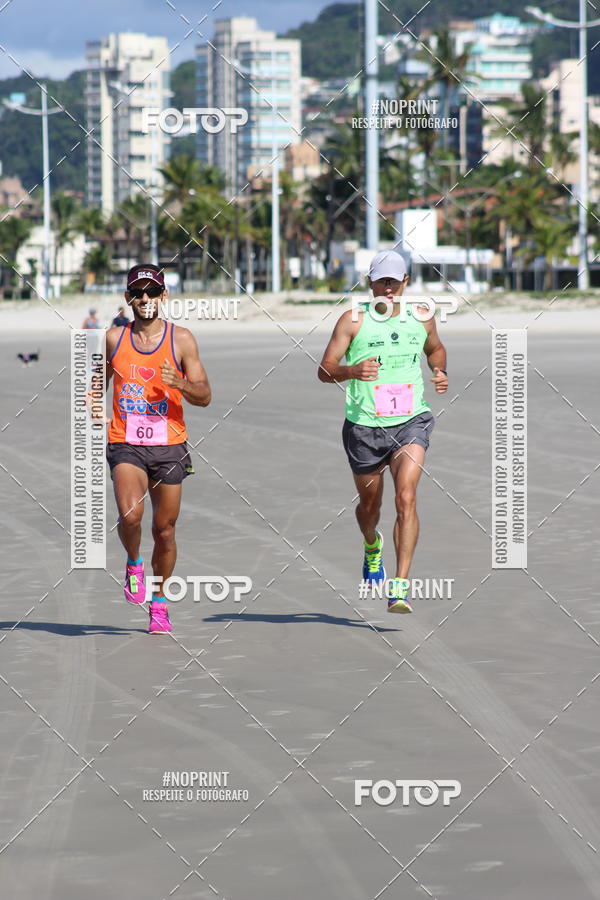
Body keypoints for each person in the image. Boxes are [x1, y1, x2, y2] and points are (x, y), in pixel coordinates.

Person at [318, 250, 448, 613]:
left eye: (394, 281)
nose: (388, 289)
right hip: (364, 427)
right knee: (370, 506)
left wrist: (440, 371)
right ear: (370, 283)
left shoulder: (421, 317)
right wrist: (351, 371)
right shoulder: (352, 321)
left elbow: (436, 349)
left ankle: (400, 586)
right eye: (381, 282)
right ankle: (372, 545)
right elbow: (325, 369)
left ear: (406, 282)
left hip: (411, 421)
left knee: (406, 497)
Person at [104, 264, 211, 633]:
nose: (145, 298)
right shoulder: (113, 339)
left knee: (164, 530)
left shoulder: (182, 340)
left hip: (169, 444)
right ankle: (134, 562)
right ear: (128, 298)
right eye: (138, 293)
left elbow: (205, 396)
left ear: (164, 296)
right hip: (126, 441)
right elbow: (96, 383)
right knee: (130, 516)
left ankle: (160, 602)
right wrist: (94, 408)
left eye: (151, 292)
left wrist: (180, 383)